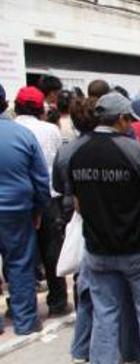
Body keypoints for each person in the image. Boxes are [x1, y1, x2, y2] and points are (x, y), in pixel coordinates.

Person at [66, 92, 140, 364]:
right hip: (138, 246)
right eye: (129, 120)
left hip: (98, 247)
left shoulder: (75, 152)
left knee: (105, 312)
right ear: (122, 119)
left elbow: (68, 193)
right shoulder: (134, 151)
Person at [14, 86, 70, 316]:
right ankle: (57, 300)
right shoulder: (50, 130)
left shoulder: (11, 128)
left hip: (18, 200)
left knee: (19, 254)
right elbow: (59, 163)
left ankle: (22, 304)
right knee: (52, 250)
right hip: (49, 197)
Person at [0, 83, 50, 336]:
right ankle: (25, 320)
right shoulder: (20, 134)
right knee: (20, 263)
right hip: (16, 209)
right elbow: (41, 178)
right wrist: (40, 207)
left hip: (15, 208)